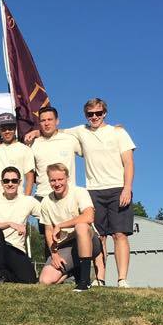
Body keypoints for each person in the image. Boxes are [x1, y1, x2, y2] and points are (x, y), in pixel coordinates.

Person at [62, 98, 136, 286]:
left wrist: (127, 187)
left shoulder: (118, 133)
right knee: (99, 236)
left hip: (118, 188)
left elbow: (129, 162)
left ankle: (122, 279)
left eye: (98, 113)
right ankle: (100, 278)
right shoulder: (81, 131)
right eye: (90, 114)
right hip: (93, 190)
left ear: (105, 113)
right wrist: (37, 131)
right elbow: (56, 132)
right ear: (85, 115)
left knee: (119, 234)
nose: (94, 117)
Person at [38, 163, 101, 291]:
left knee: (81, 227)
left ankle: (84, 281)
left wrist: (61, 225)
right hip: (65, 246)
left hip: (88, 240)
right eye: (53, 180)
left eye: (60, 179)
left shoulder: (79, 192)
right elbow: (48, 230)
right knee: (45, 280)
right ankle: (71, 270)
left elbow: (89, 217)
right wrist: (54, 254)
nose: (57, 183)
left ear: (67, 178)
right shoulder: (46, 201)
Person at [0, 166, 41, 283]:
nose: (10, 184)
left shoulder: (28, 201)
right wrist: (10, 224)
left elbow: (47, 216)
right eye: (6, 181)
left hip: (16, 249)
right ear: (1, 183)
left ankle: (5, 276)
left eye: (14, 181)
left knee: (29, 280)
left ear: (19, 182)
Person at [26, 106, 81, 200]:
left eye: (50, 119)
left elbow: (91, 153)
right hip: (42, 196)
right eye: (43, 120)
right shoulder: (33, 144)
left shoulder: (70, 140)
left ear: (57, 121)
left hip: (67, 196)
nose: (46, 123)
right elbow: (28, 172)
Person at [0, 112, 34, 196]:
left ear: (15, 128)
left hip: (18, 200)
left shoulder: (25, 150)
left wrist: (26, 200)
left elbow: (30, 178)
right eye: (3, 129)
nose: (7, 131)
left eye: (10, 128)